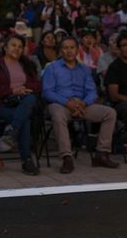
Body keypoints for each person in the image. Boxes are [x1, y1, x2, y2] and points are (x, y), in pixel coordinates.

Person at [42, 36, 119, 173]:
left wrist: (83, 103)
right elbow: (48, 92)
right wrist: (67, 103)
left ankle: (101, 154)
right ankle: (67, 158)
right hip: (60, 104)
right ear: (61, 51)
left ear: (77, 50)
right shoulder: (52, 68)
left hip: (82, 105)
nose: (69, 51)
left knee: (110, 113)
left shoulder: (84, 69)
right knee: (58, 115)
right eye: (65, 48)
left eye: (72, 48)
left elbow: (92, 92)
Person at [0, 35, 41, 176]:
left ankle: (12, 132)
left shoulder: (27, 64)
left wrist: (23, 88)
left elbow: (37, 85)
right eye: (13, 45)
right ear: (5, 47)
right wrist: (12, 90)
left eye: (20, 46)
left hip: (23, 101)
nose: (17, 49)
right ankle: (26, 160)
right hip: (1, 103)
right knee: (24, 119)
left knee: (30, 99)